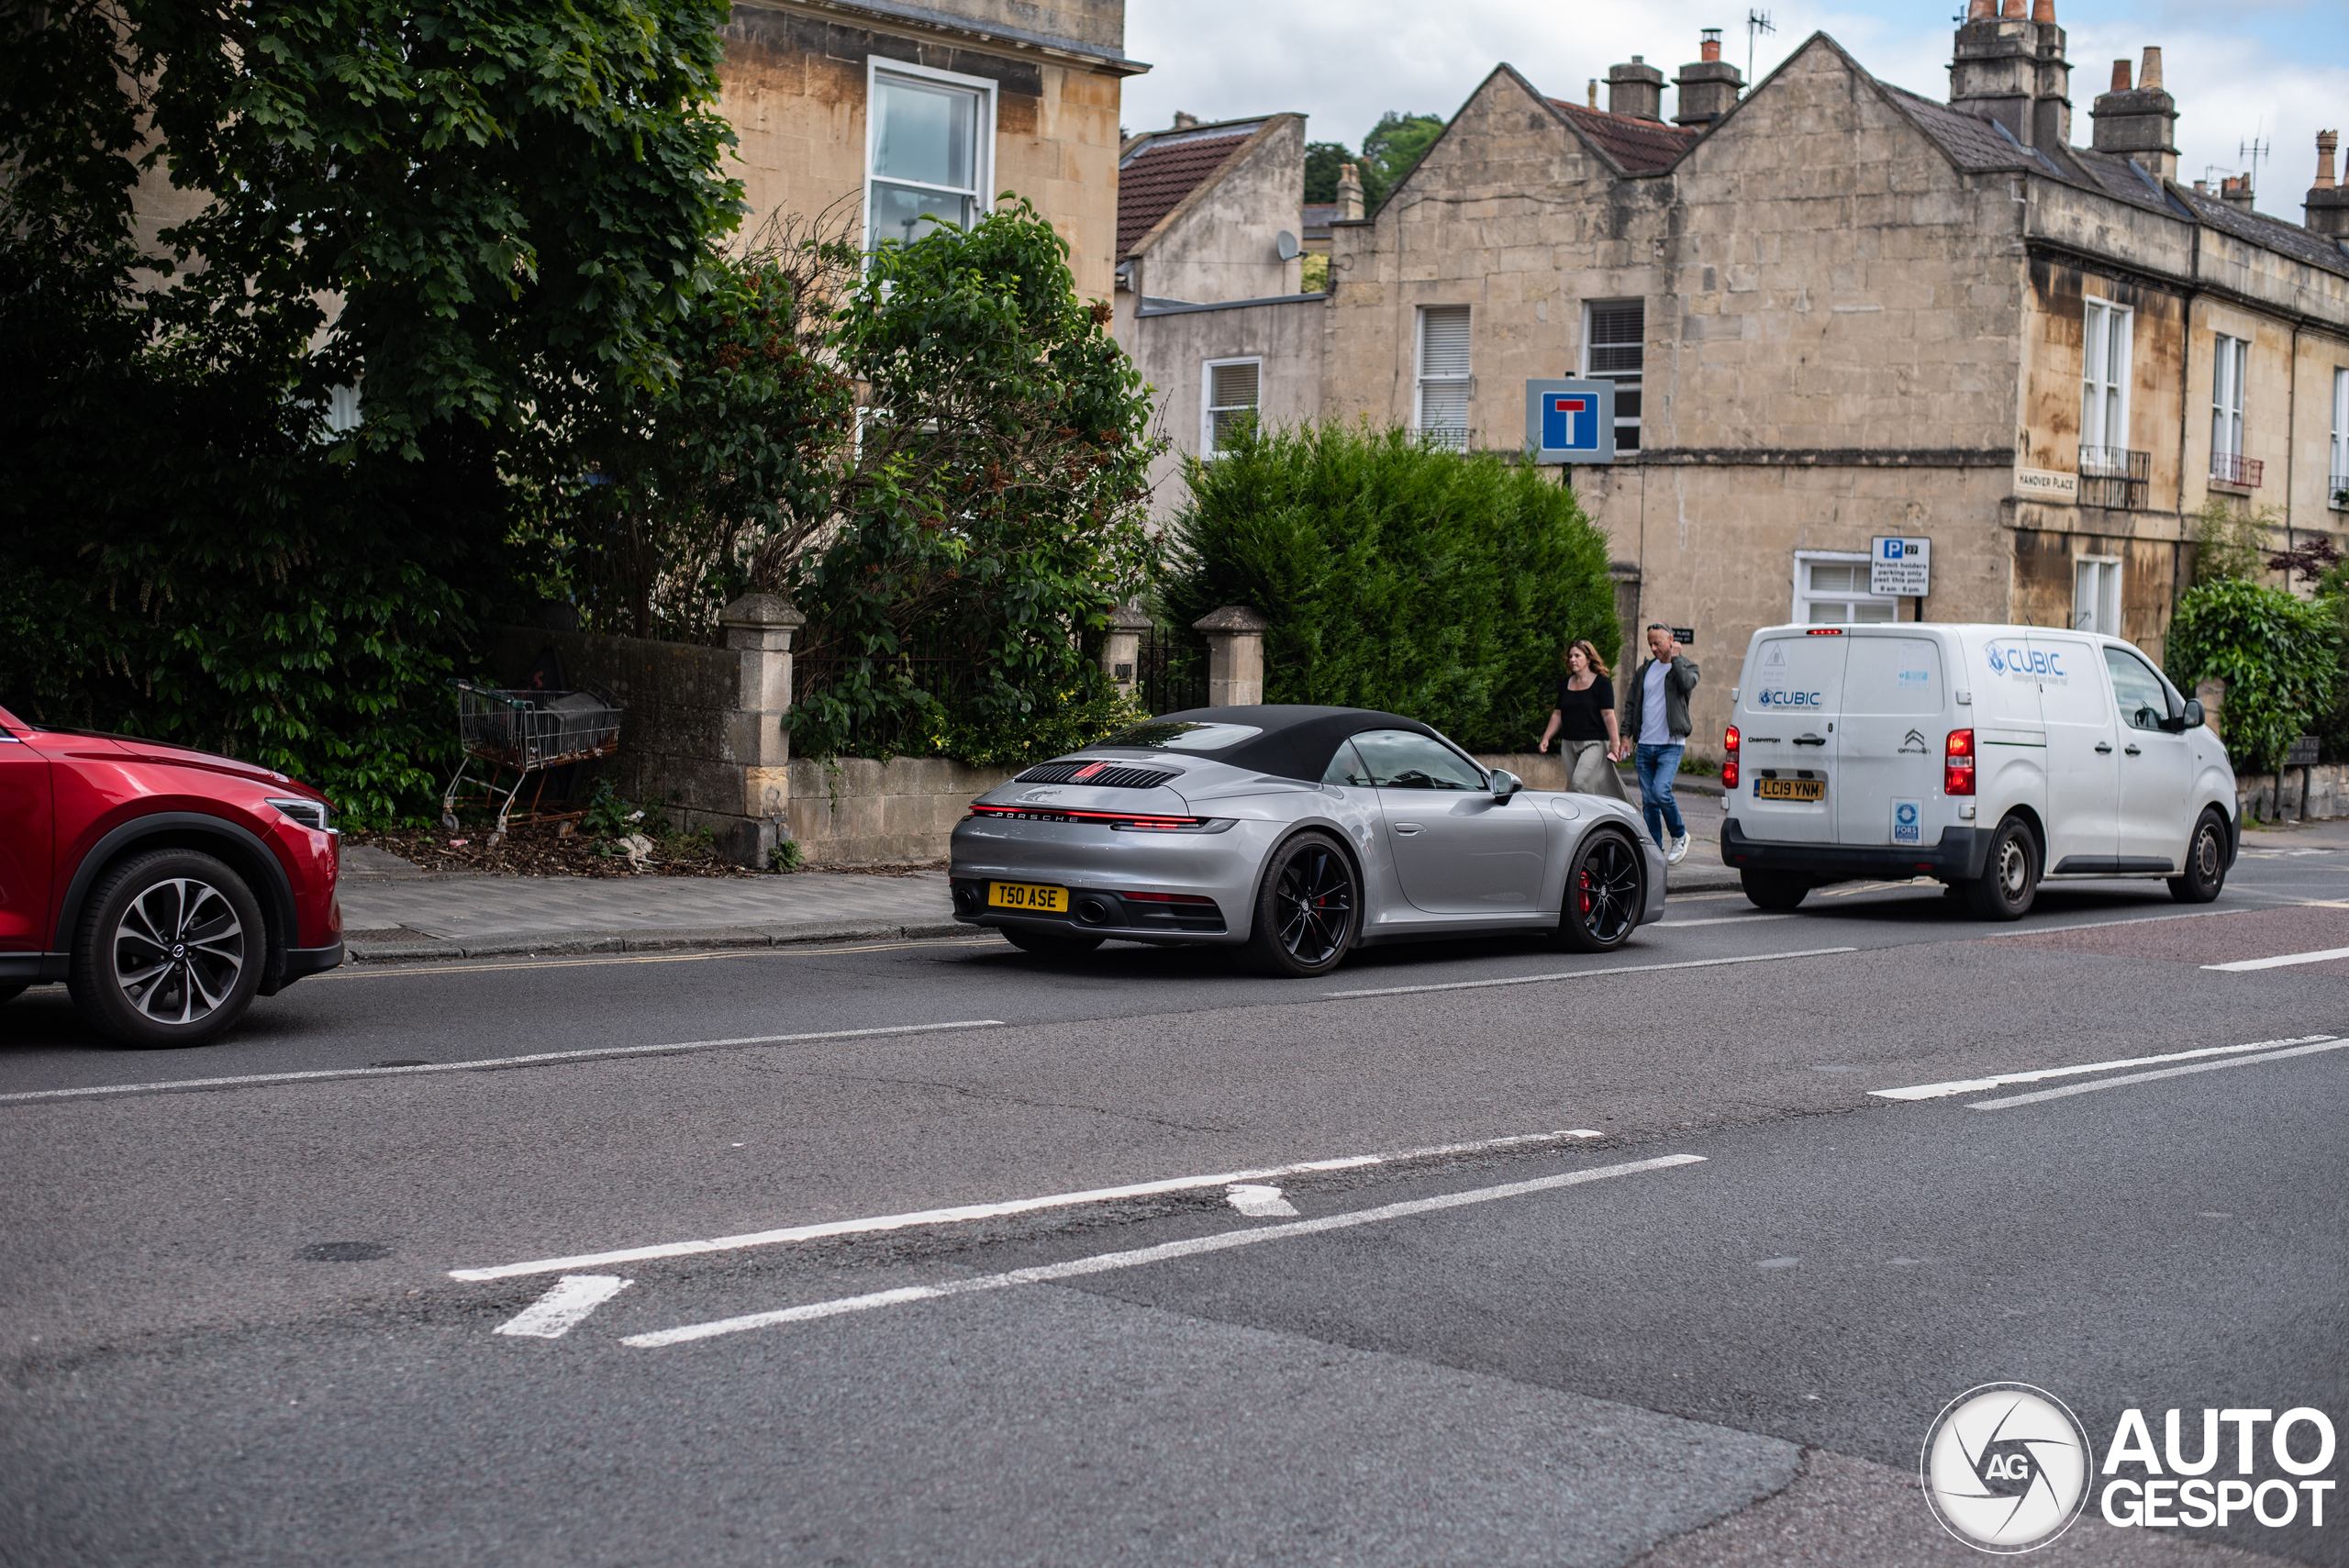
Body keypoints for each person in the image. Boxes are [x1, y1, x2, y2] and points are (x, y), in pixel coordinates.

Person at [1620, 623, 1700, 864]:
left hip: (1671, 744)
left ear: (1671, 640)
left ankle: (1679, 835)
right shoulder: (1644, 671)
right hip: (1645, 744)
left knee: (1661, 791)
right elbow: (1632, 704)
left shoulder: (1687, 667)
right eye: (1650, 644)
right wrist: (1626, 734)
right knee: (1650, 802)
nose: (1654, 648)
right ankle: (1655, 853)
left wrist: (1675, 659)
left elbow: (1687, 684)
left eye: (1658, 643)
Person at [1536, 640, 1627, 800]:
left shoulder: (1602, 683)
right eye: (1570, 656)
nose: (1572, 659)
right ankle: (1595, 818)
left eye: (1577, 656)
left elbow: (1608, 714)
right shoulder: (1566, 684)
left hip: (1594, 743)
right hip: (1569, 744)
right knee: (1576, 789)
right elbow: (1558, 714)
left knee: (1580, 784)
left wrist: (1615, 742)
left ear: (1589, 659)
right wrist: (1546, 738)